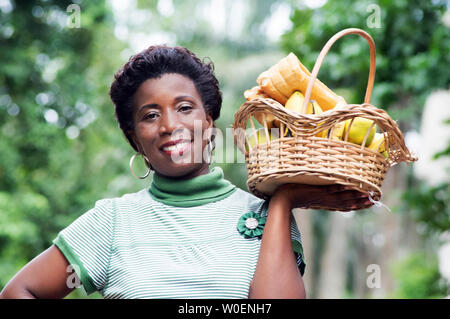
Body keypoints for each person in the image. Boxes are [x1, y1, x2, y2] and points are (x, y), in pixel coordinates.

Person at [0, 45, 371, 299]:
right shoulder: (111, 222)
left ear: (209, 123)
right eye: (150, 115)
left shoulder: (264, 216)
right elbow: (19, 290)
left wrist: (282, 201)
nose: (169, 125)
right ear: (135, 139)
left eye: (184, 108)